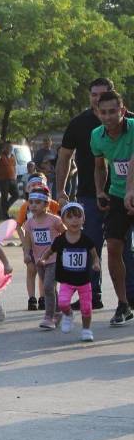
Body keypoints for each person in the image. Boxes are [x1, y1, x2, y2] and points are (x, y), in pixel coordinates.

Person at [55, 77, 134, 311]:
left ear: (118, 105)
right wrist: (61, 190)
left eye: (103, 94)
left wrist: (129, 189)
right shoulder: (85, 127)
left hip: (123, 193)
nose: (98, 99)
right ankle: (94, 295)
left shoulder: (130, 125)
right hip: (93, 194)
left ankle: (130, 296)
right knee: (94, 245)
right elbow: (66, 158)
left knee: (126, 249)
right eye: (94, 95)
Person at [91, 90, 134, 326]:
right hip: (118, 196)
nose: (107, 117)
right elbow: (100, 166)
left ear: (122, 111)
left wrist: (131, 189)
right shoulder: (96, 136)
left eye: (112, 112)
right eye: (103, 112)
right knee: (114, 247)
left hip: (131, 191)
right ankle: (123, 304)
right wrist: (100, 190)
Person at [38, 202, 100, 341]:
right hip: (66, 280)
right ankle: (68, 314)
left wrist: (96, 264)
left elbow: (95, 255)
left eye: (78, 217)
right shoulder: (60, 240)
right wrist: (43, 259)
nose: (74, 220)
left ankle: (86, 330)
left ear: (83, 219)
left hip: (84, 281)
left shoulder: (86, 240)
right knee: (63, 303)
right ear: (63, 220)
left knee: (86, 308)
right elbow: (50, 251)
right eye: (70, 217)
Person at [21, 186, 65, 330]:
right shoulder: (29, 223)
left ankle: (49, 317)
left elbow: (66, 234)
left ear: (46, 204)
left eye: (37, 202)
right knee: (50, 288)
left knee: (47, 287)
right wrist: (27, 254)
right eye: (31, 202)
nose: (33, 205)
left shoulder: (54, 220)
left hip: (54, 259)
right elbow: (27, 241)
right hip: (39, 261)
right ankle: (58, 312)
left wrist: (65, 249)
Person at [16, 173, 60, 310]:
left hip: (49, 249)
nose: (36, 187)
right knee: (31, 270)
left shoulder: (53, 205)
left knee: (46, 274)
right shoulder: (26, 207)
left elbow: (60, 225)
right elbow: (19, 226)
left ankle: (43, 298)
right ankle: (32, 298)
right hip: (31, 246)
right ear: (28, 188)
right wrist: (25, 245)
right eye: (32, 185)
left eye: (39, 184)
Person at [0, 140, 19, 217]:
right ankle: (4, 214)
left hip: (12, 179)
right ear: (5, 148)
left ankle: (5, 208)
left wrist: (15, 176)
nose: (9, 148)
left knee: (16, 195)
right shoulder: (0, 155)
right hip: (3, 180)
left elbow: (14, 166)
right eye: (8, 147)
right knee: (4, 197)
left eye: (10, 147)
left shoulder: (12, 156)